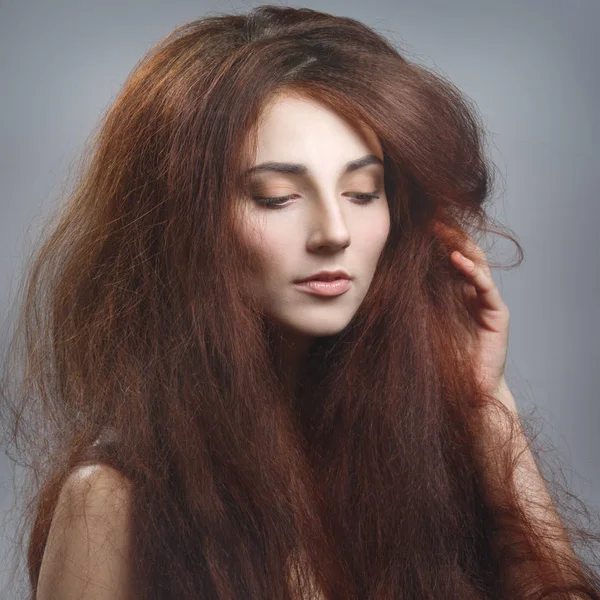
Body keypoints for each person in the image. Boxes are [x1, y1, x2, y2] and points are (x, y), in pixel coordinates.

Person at [1, 5, 599, 599]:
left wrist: (486, 402)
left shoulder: (416, 461)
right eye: (276, 197)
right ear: (182, 225)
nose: (334, 231)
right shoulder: (113, 501)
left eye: (363, 192)